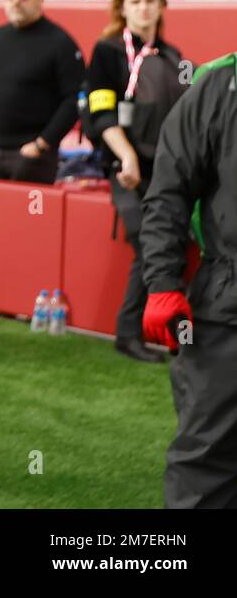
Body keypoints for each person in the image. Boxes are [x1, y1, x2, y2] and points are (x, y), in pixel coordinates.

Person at [140, 49, 237, 507]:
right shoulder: (217, 85)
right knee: (207, 464)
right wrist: (162, 283)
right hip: (227, 311)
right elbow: (167, 194)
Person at [84, 0, 188, 364]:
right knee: (148, 243)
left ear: (162, 6)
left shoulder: (176, 58)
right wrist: (125, 155)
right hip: (125, 167)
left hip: (168, 171)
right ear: (123, 8)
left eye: (151, 1)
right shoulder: (107, 52)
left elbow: (185, 118)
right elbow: (100, 112)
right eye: (136, 1)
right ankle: (129, 333)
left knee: (172, 244)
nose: (144, 7)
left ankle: (178, 333)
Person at [0, 0, 84, 184]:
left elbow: (74, 101)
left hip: (32, 158)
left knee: (30, 218)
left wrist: (41, 145)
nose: (16, 1)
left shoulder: (60, 42)